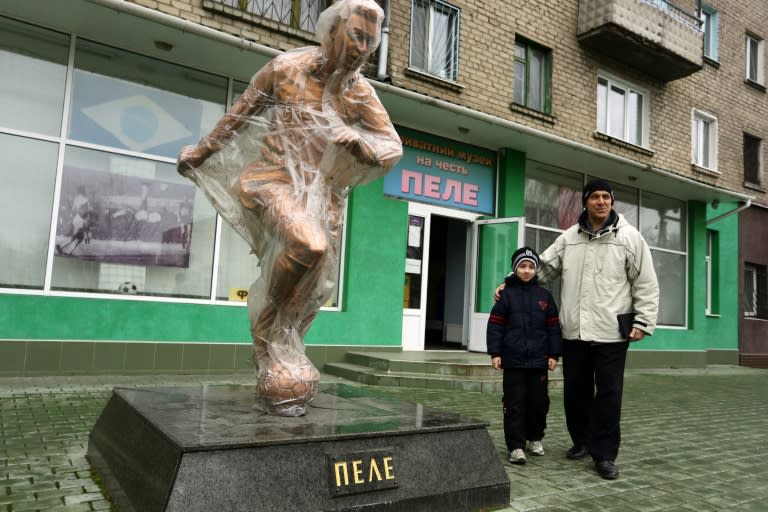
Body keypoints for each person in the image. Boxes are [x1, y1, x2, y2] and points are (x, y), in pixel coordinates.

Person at [177, 0, 403, 416]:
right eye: (356, 36)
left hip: (321, 197)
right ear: (332, 31)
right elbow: (240, 114)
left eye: (370, 44)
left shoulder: (358, 92)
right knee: (308, 244)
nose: (361, 50)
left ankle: (284, 353)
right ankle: (268, 330)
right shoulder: (286, 68)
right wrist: (202, 150)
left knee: (314, 288)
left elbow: (392, 145)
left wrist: (362, 144)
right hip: (272, 180)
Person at [495, 179, 659, 479]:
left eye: (606, 197)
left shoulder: (630, 238)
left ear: (612, 202)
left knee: (609, 395)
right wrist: (510, 282)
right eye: (594, 197)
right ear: (585, 202)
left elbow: (645, 282)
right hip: (574, 334)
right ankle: (581, 441)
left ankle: (605, 454)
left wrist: (643, 321)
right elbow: (541, 266)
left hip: (612, 333)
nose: (600, 202)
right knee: (576, 394)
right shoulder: (569, 238)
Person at [487, 247, 561, 465]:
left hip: (539, 361)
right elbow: (495, 327)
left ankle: (535, 438)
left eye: (531, 267)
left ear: (536, 270)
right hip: (513, 361)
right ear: (514, 269)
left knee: (539, 403)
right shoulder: (505, 296)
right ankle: (516, 446)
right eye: (522, 266)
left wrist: (554, 354)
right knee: (514, 404)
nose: (527, 271)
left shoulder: (545, 296)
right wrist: (495, 353)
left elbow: (554, 328)